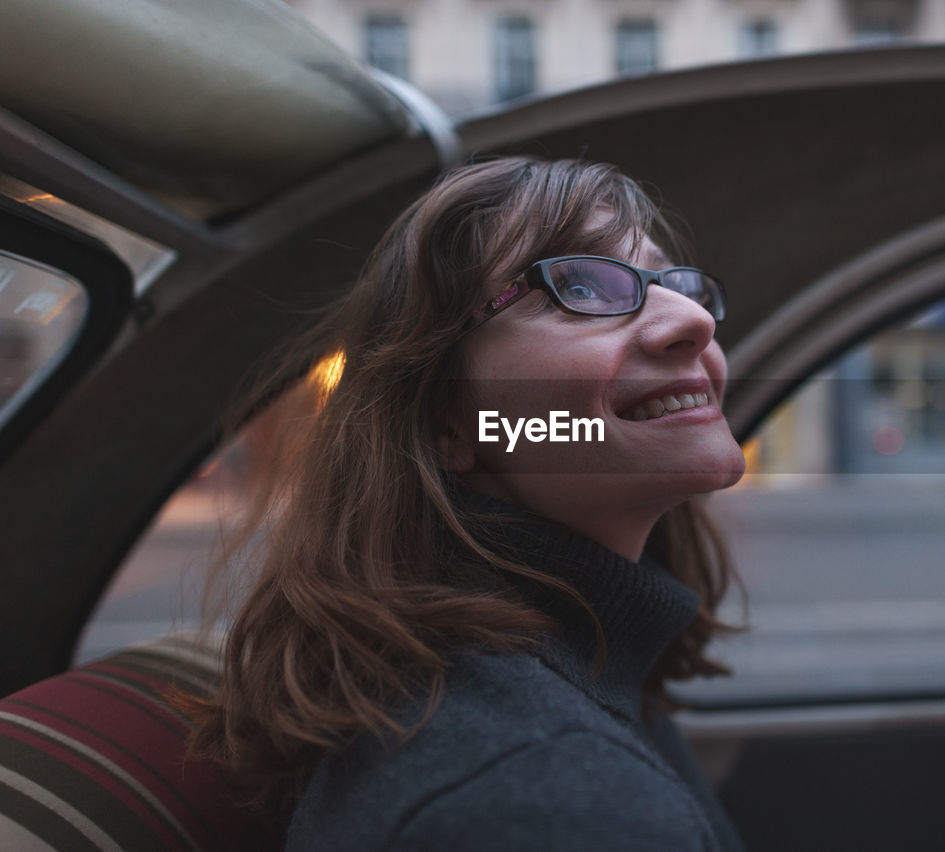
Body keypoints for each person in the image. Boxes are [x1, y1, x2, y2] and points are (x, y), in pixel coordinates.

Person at [184, 156, 749, 851]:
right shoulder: (546, 797)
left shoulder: (566, 673)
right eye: (580, 285)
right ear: (451, 422)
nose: (691, 319)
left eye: (673, 283)